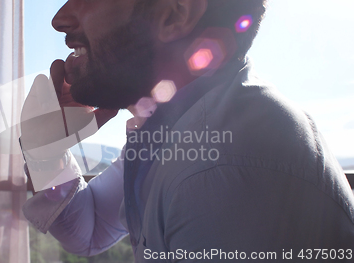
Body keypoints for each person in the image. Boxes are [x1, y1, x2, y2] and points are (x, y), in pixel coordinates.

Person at [20, 0, 354, 262]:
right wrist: (45, 148)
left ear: (175, 15)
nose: (60, 17)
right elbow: (89, 231)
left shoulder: (221, 168)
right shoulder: (184, 132)